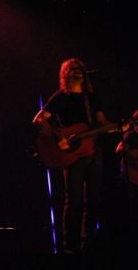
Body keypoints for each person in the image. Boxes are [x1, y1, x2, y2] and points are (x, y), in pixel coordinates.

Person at [33, 58, 110, 253]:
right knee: (74, 200)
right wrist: (59, 137)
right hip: (72, 154)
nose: (76, 72)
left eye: (79, 69)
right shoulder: (61, 97)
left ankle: (88, 244)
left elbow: (102, 123)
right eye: (72, 69)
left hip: (93, 151)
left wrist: (118, 127)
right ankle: (70, 247)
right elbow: (39, 119)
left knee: (93, 199)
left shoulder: (91, 97)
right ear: (66, 74)